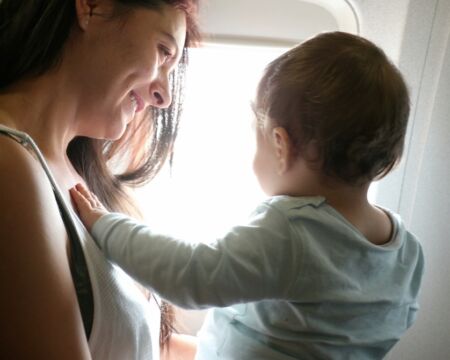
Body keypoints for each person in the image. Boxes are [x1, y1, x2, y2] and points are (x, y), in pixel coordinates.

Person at [70, 31, 425, 359]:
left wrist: (107, 226)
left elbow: (191, 275)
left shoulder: (293, 230)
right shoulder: (407, 252)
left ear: (280, 145)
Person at [0, 0, 201, 359]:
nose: (164, 96)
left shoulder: (88, 182)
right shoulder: (8, 166)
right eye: (162, 51)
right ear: (92, 7)